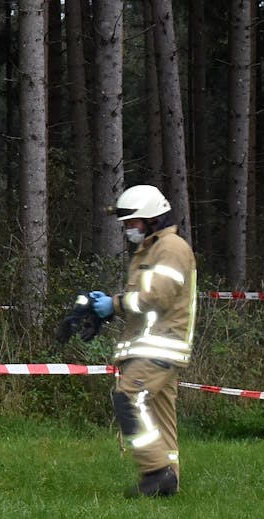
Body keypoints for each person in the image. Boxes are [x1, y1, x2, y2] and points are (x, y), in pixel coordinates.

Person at [85, 184, 197, 497]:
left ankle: (155, 471)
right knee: (160, 414)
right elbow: (144, 301)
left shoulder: (170, 248)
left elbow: (157, 297)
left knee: (127, 398)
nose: (127, 228)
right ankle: (167, 481)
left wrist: (115, 303)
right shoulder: (151, 249)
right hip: (154, 343)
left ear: (151, 219)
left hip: (161, 345)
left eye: (132, 222)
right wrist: (105, 308)